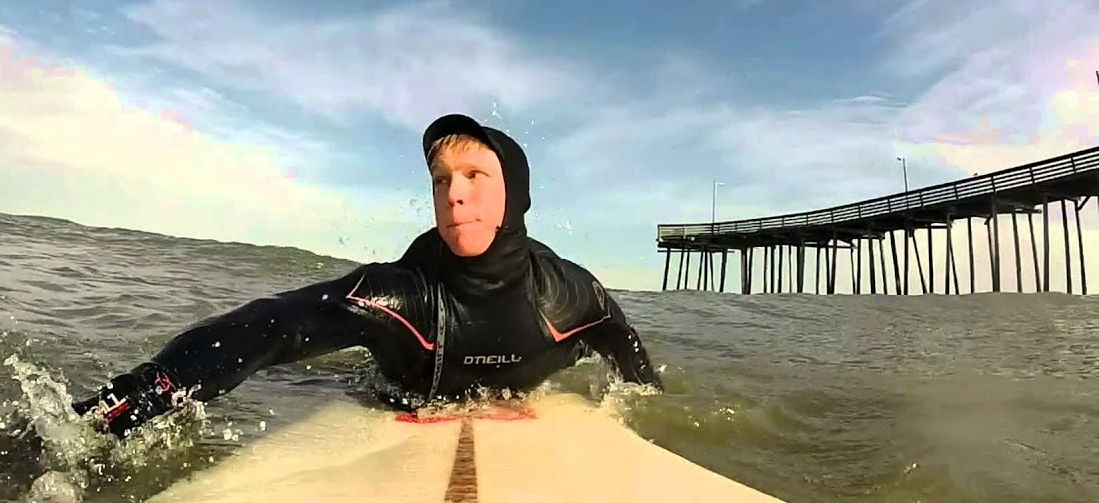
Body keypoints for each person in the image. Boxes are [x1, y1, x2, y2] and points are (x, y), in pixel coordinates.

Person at [72, 113, 663, 437]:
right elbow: (269, 325)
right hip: (393, 391)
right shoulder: (402, 297)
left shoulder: (572, 297)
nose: (454, 195)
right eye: (440, 180)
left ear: (517, 193)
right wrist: (129, 401)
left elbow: (632, 365)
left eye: (475, 176)